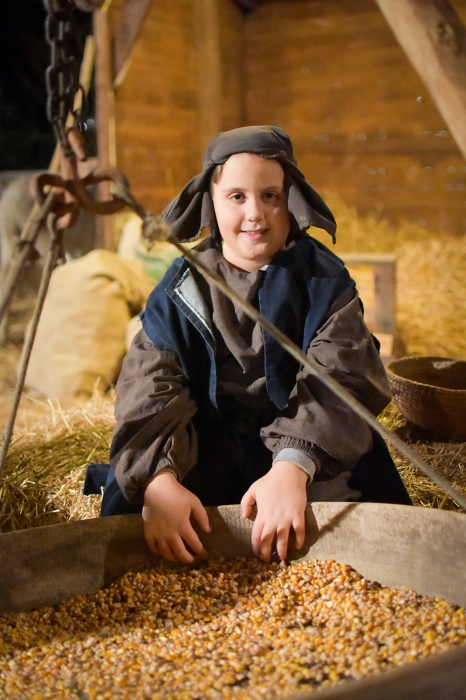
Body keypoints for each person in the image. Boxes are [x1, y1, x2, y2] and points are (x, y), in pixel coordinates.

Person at [87, 125, 411, 566]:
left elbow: (343, 375)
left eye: (270, 196)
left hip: (307, 447)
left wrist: (292, 468)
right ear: (211, 203)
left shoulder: (321, 281)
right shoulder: (183, 287)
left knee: (353, 527)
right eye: (237, 196)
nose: (255, 213)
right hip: (207, 447)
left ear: (290, 200)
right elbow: (149, 383)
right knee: (139, 526)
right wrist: (158, 481)